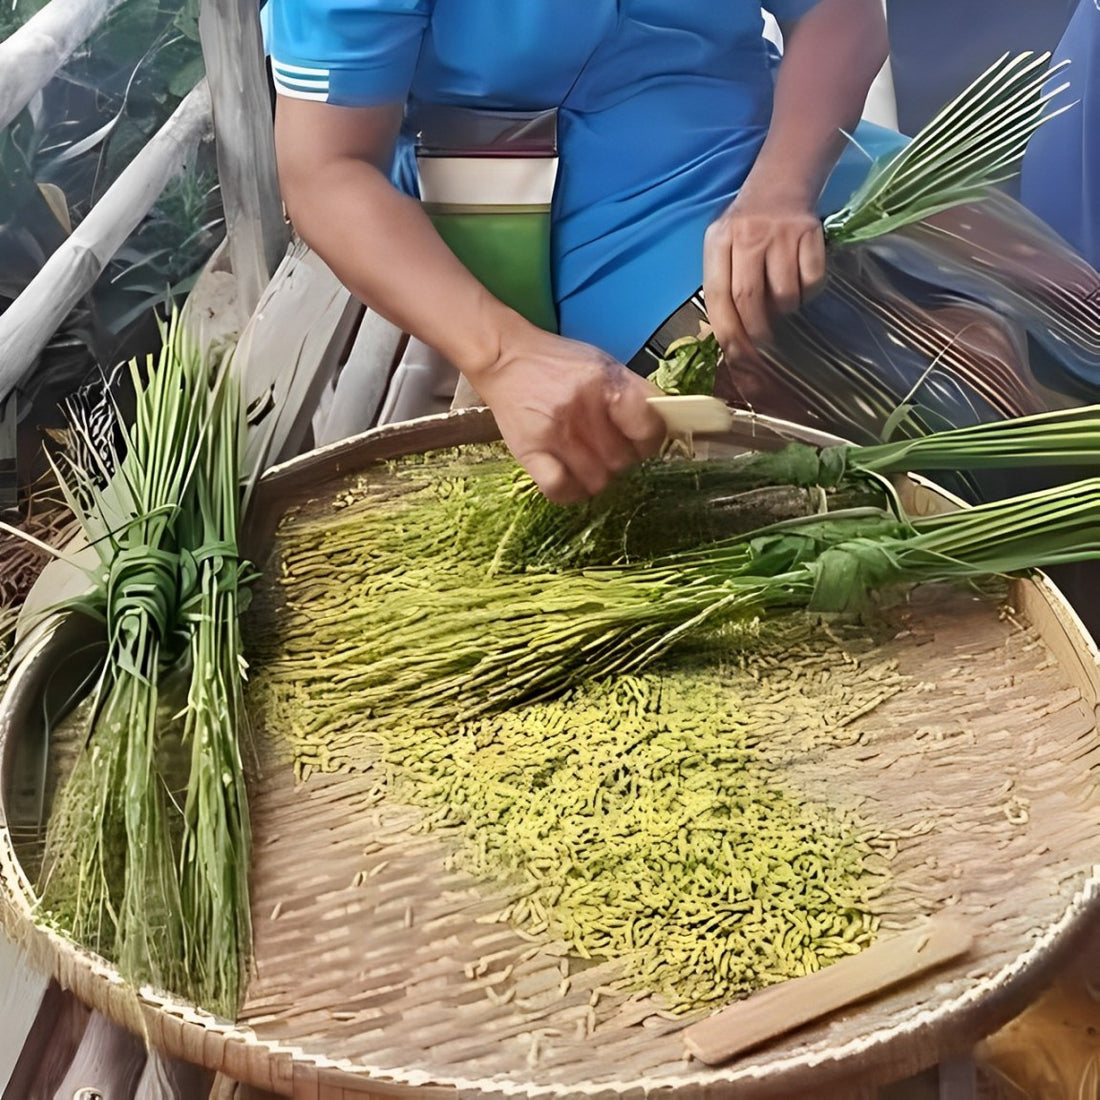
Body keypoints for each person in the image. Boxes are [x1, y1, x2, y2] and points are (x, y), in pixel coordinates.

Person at [264, 0, 895, 503]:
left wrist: (781, 191)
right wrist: (505, 355)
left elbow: (837, 12)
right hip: (553, 200)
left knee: (989, 287)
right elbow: (325, 170)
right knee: (904, 421)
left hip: (776, 146)